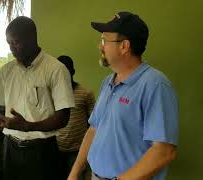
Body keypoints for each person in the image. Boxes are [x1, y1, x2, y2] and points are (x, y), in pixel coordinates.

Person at [0, 16, 75, 180]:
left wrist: (28, 126)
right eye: (9, 43)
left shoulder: (56, 70)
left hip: (42, 151)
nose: (12, 48)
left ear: (32, 38)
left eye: (16, 42)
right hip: (11, 149)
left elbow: (62, 118)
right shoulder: (7, 71)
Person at [68, 11, 178, 180]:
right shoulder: (108, 82)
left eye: (105, 40)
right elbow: (93, 129)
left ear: (124, 46)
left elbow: (164, 151)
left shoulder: (155, 84)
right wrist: (75, 173)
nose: (100, 46)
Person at [56, 55, 95, 180]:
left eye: (66, 72)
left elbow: (94, 123)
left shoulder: (85, 93)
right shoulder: (51, 94)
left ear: (72, 72)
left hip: (77, 151)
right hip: (55, 149)